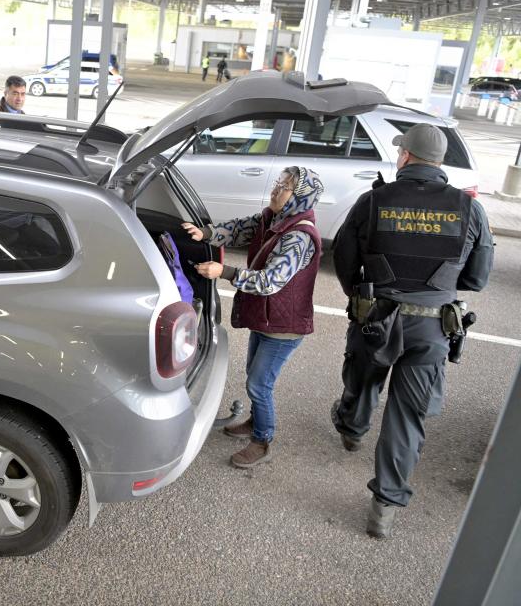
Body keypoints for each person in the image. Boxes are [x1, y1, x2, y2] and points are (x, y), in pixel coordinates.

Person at [330, 123, 493, 539]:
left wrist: (359, 297)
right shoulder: (469, 209)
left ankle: (352, 429)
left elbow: (344, 257)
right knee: (407, 418)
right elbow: (476, 278)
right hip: (433, 328)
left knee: (363, 378)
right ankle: (383, 507)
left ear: (405, 157)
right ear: (439, 163)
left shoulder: (373, 201)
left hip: (376, 319)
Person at [183, 167, 324, 468]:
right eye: (278, 183)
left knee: (260, 385)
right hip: (267, 318)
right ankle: (254, 421)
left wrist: (225, 272)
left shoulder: (298, 237)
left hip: (284, 327)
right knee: (254, 376)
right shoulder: (273, 219)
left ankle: (262, 440)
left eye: (285, 187)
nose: (276, 189)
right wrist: (206, 233)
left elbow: (270, 281)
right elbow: (239, 229)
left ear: (299, 197)